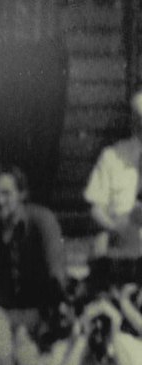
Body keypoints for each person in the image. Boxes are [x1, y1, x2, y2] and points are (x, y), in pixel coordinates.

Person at [0, 164, 67, 322]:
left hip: (40, 313)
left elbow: (56, 277)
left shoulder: (42, 221)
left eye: (6, 194)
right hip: (4, 314)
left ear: (22, 193)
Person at [84, 85, 142, 293]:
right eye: (139, 120)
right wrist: (113, 228)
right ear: (132, 121)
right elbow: (95, 207)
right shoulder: (112, 157)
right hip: (119, 240)